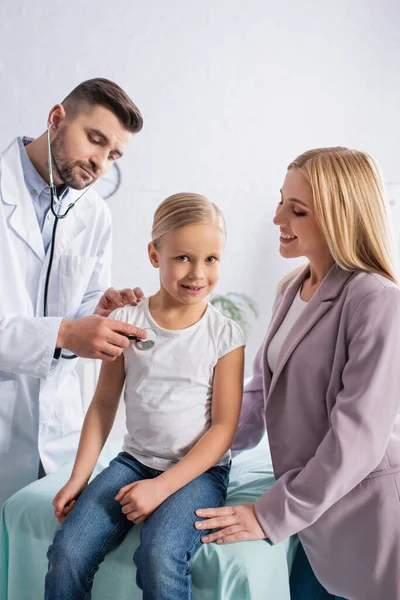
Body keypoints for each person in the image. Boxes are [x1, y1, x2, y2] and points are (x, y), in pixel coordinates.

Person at [194, 147, 400, 600]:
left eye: (297, 210)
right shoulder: (292, 288)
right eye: (281, 201)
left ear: (340, 217)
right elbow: (260, 395)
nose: (277, 219)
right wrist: (188, 446)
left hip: (363, 515)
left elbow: (357, 440)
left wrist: (269, 514)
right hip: (309, 513)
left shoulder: (377, 301)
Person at [44, 193, 246, 600]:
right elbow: (103, 406)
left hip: (199, 473)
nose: (197, 273)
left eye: (211, 259)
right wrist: (78, 478)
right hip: (134, 461)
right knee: (67, 551)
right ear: (155, 254)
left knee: (159, 553)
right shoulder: (126, 321)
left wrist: (161, 488)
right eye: (183, 257)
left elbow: (224, 429)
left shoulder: (226, 335)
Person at [0, 78, 147, 508]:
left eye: (114, 154)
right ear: (56, 118)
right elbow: (57, 328)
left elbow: (80, 301)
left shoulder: (95, 213)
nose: (100, 162)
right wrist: (65, 333)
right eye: (95, 140)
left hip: (57, 432)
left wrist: (97, 311)